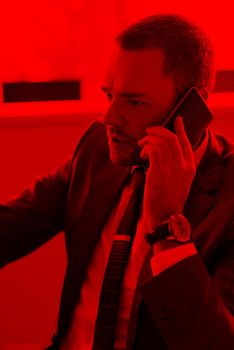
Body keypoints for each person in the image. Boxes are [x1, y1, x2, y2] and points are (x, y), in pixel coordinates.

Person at [0, 14, 233, 350]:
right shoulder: (99, 150)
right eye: (110, 95)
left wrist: (167, 223)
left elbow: (216, 342)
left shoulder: (229, 195)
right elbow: (15, 224)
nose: (109, 118)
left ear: (192, 105)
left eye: (134, 102)